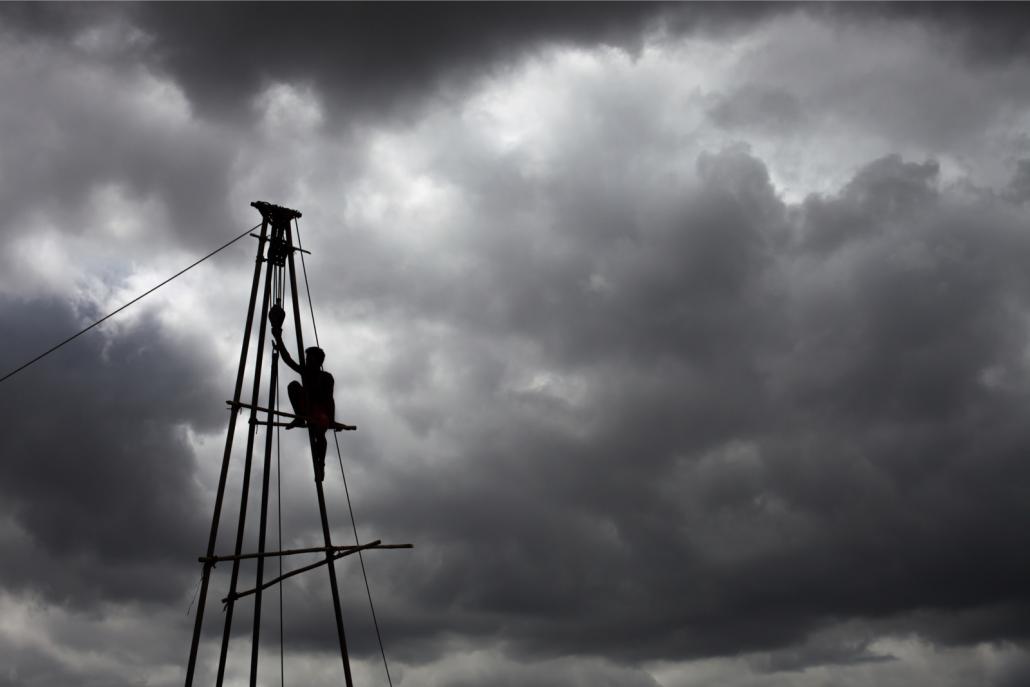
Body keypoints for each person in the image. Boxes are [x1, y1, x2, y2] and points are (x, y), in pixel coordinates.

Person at [268, 303, 353, 481]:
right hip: (306, 407)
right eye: (307, 358)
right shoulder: (305, 372)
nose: (307, 361)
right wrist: (279, 338)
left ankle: (320, 464)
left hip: (321, 412)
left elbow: (330, 400)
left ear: (318, 362)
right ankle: (300, 417)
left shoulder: (326, 377)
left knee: (319, 433)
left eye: (310, 359)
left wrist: (331, 420)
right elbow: (288, 360)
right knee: (293, 385)